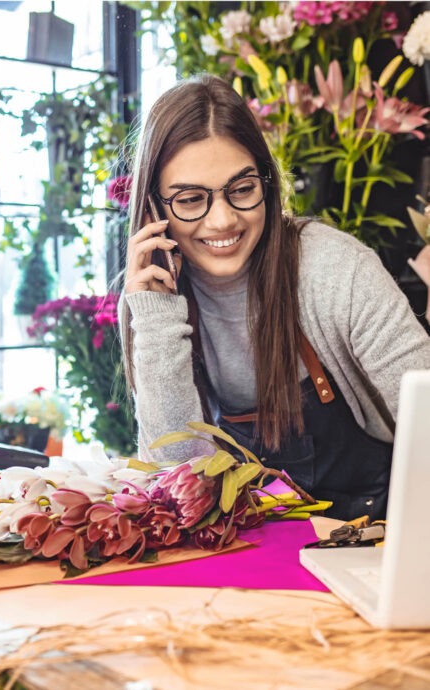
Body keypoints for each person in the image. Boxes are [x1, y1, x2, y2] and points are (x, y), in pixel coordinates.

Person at [119, 73, 430, 521]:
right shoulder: (151, 291)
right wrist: (155, 319)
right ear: (153, 207)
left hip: (370, 529)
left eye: (242, 190)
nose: (223, 220)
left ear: (268, 182)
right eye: (190, 200)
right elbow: (176, 480)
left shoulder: (333, 269)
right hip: (245, 539)